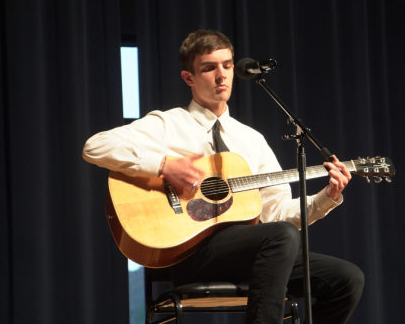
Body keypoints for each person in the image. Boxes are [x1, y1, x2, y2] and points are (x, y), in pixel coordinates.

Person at [83, 29, 364, 324]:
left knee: (347, 279)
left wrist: (326, 197)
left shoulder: (251, 139)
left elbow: (277, 212)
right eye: (209, 68)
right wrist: (165, 165)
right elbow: (95, 146)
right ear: (188, 78)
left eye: (227, 65)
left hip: (254, 255)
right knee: (282, 237)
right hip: (192, 253)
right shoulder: (168, 124)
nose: (222, 76)